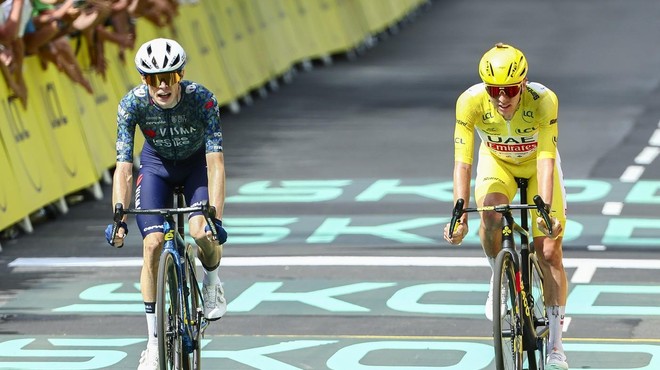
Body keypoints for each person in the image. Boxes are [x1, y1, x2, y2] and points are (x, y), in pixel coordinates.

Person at [443, 43, 569, 370]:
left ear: (523, 84)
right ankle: (497, 278)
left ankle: (556, 345)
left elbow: (545, 158)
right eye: (494, 89)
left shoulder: (543, 101)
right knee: (490, 215)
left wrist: (543, 211)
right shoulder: (470, 102)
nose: (502, 98)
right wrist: (459, 212)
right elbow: (463, 163)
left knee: (550, 251)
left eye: (510, 89)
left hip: (535, 166)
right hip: (497, 165)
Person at [104, 37, 227, 370]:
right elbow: (124, 167)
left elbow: (215, 163)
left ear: (181, 75)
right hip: (156, 168)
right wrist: (119, 215)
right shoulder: (131, 104)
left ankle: (213, 281)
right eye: (153, 79)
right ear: (144, 80)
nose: (162, 86)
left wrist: (215, 214)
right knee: (153, 244)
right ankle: (154, 343)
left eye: (169, 78)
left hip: (194, 167)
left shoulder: (203, 100)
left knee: (201, 231)